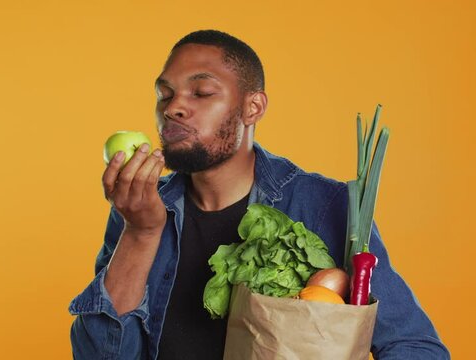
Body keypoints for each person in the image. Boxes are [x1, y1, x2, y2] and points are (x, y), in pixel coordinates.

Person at [69, 29, 450, 360]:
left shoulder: (324, 206)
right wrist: (140, 233)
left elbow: (415, 346)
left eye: (201, 92)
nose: (174, 108)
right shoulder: (139, 209)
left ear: (253, 107)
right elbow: (102, 355)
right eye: (164, 94)